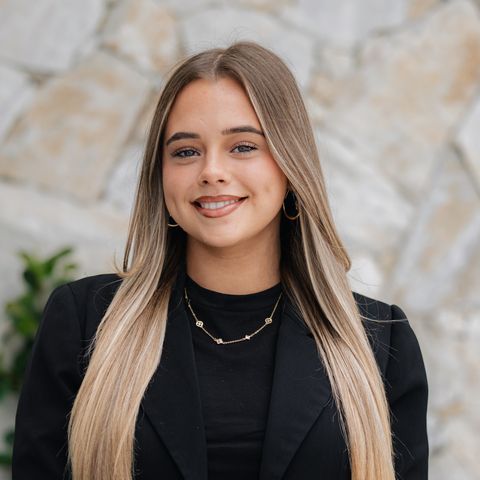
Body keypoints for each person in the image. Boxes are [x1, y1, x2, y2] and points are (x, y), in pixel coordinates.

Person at [12, 41, 428, 480]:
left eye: (243, 146)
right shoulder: (84, 323)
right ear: (161, 175)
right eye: (186, 151)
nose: (211, 171)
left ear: (290, 167)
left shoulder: (381, 344)